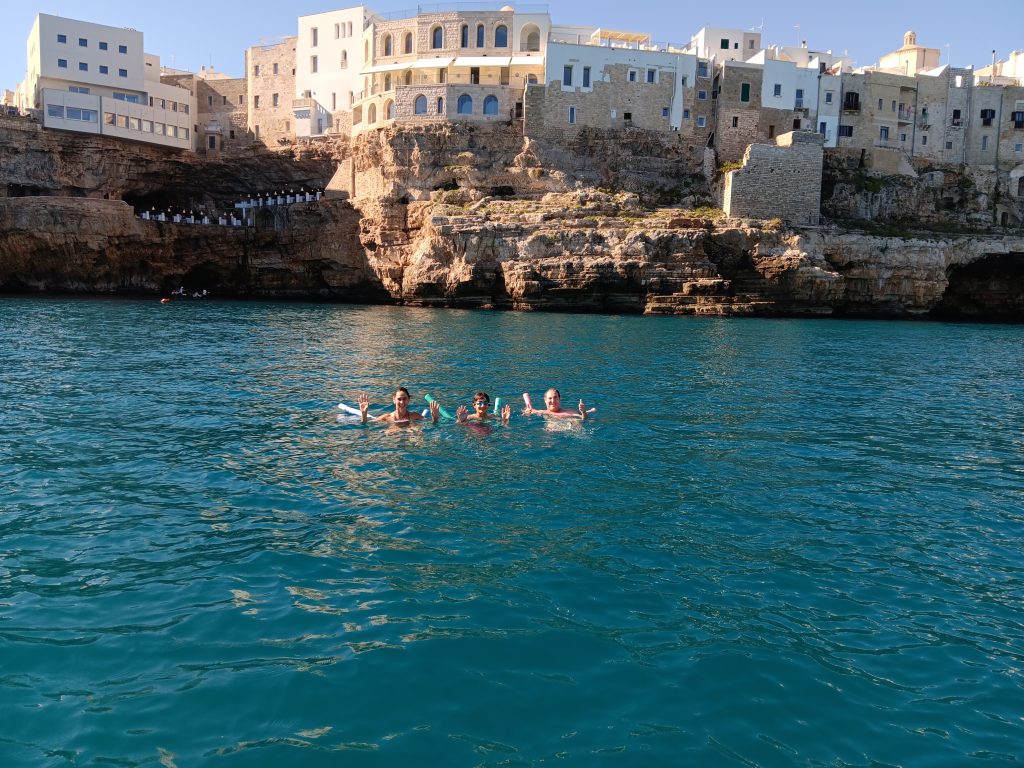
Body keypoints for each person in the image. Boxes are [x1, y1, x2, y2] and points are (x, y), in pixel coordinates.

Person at [359, 387, 439, 425]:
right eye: (399, 399)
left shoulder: (414, 416)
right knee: (390, 432)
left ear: (408, 400)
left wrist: (435, 417)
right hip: (394, 436)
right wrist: (364, 414)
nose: (402, 402)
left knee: (415, 430)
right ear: (394, 400)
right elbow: (366, 423)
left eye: (404, 399)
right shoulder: (387, 417)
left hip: (410, 434)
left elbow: (432, 423)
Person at [524, 388, 588, 420]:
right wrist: (527, 411)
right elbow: (527, 412)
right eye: (550, 398)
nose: (553, 401)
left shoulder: (570, 412)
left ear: (559, 399)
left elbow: (584, 419)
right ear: (545, 400)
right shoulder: (541, 412)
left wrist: (584, 412)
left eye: (555, 397)